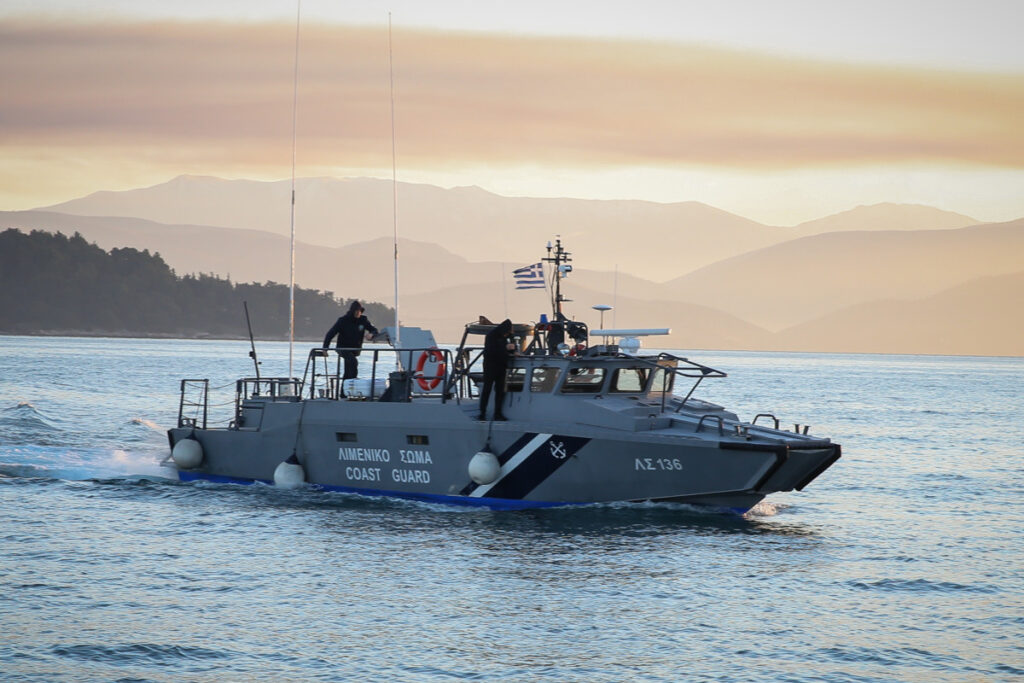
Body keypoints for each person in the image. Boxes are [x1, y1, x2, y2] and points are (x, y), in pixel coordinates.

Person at [323, 301, 379, 391]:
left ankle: (345, 391)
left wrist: (371, 334)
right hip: (342, 347)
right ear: (352, 311)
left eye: (360, 311)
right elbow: (331, 333)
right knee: (353, 362)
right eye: (356, 311)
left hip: (354, 349)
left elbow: (374, 330)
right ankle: (351, 386)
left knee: (348, 369)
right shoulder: (343, 320)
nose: (358, 313)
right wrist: (325, 348)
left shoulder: (363, 320)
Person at [478, 319, 515, 421]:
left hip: (501, 366)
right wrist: (505, 348)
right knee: (487, 389)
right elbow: (491, 350)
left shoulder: (505, 337)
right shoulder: (491, 336)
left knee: (501, 390)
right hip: (490, 366)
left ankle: (497, 413)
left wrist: (513, 350)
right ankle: (482, 413)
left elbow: (510, 346)